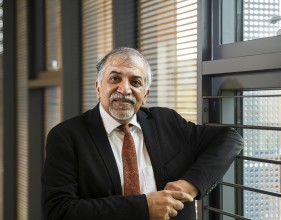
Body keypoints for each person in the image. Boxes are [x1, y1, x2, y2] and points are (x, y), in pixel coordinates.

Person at [42, 47, 243, 220]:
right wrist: (144, 208)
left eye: (136, 82)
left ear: (145, 95)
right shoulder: (66, 136)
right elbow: (59, 212)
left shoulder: (167, 122)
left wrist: (190, 185)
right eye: (115, 78)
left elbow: (230, 138)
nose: (125, 89)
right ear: (98, 88)